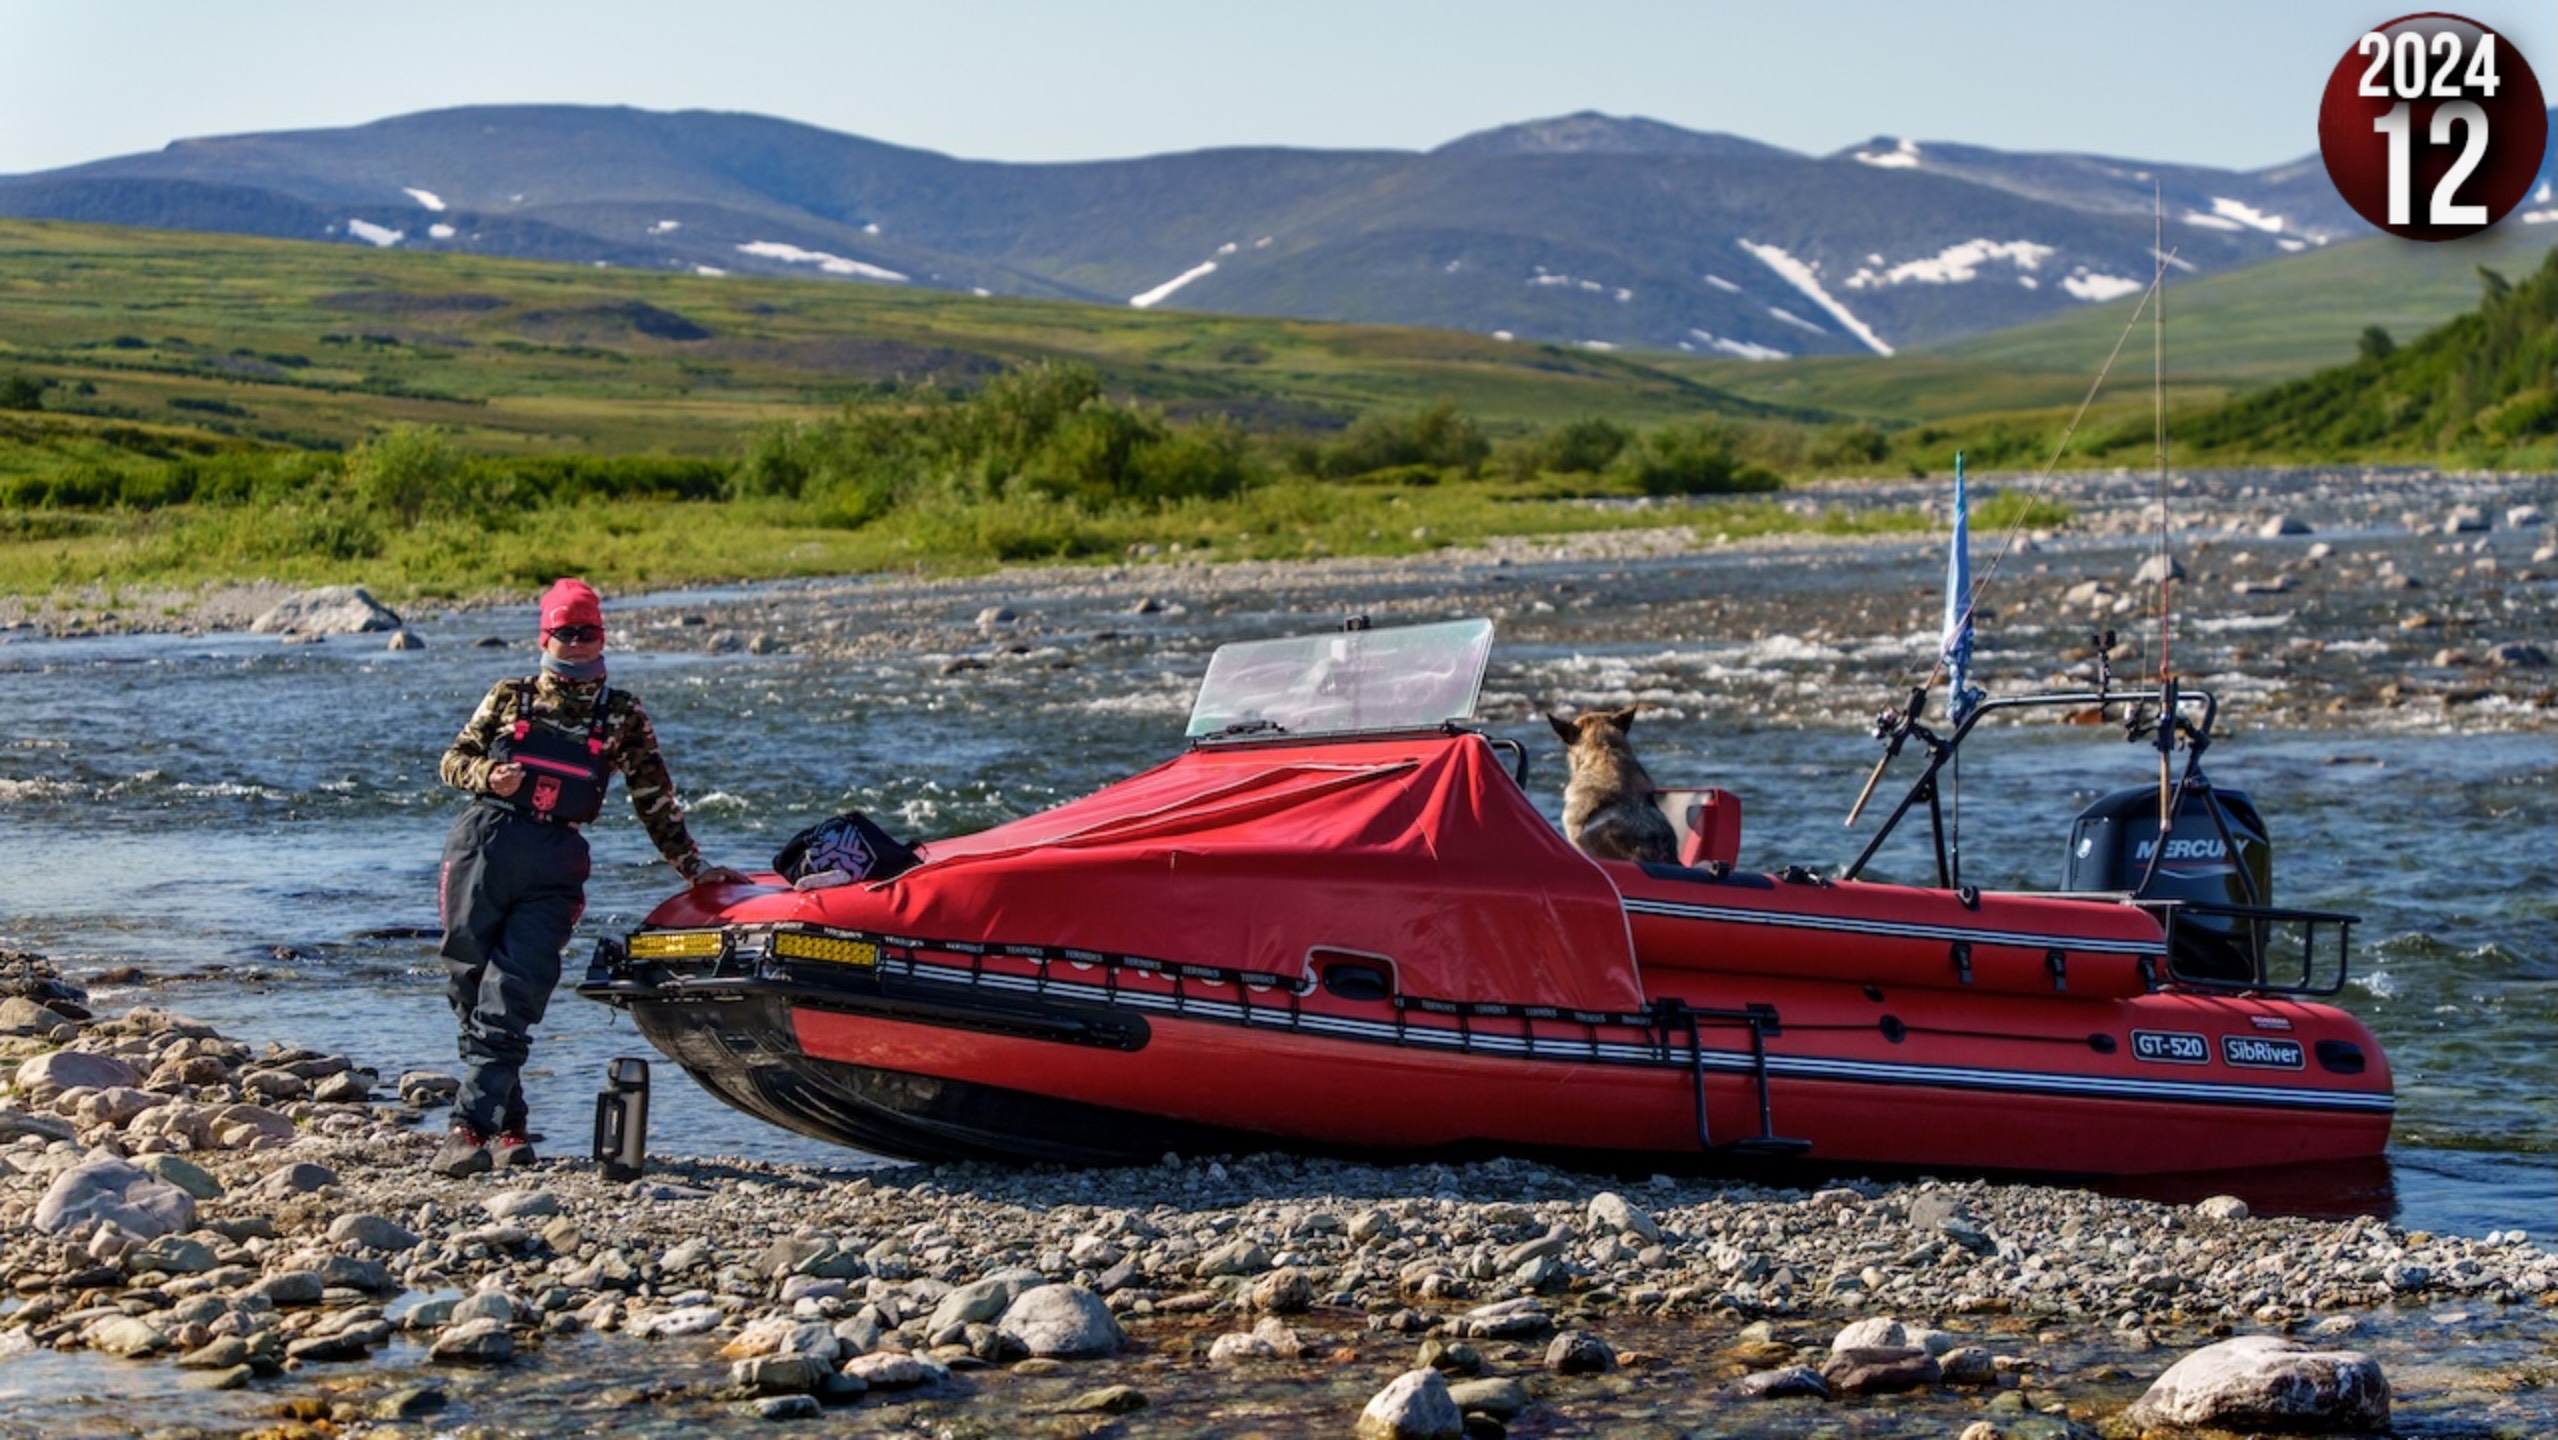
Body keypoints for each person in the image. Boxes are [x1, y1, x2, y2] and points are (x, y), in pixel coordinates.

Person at [433, 578, 740, 1177]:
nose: (575, 643)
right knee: (468, 988)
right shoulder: (508, 696)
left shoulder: (622, 713)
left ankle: (466, 1127)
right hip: (484, 844)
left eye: (587, 631)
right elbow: (452, 761)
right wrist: (486, 776)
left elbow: (654, 797)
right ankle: (509, 1129)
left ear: (602, 636)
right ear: (545, 635)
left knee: (514, 991)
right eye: (564, 631)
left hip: (557, 860)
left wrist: (694, 869)